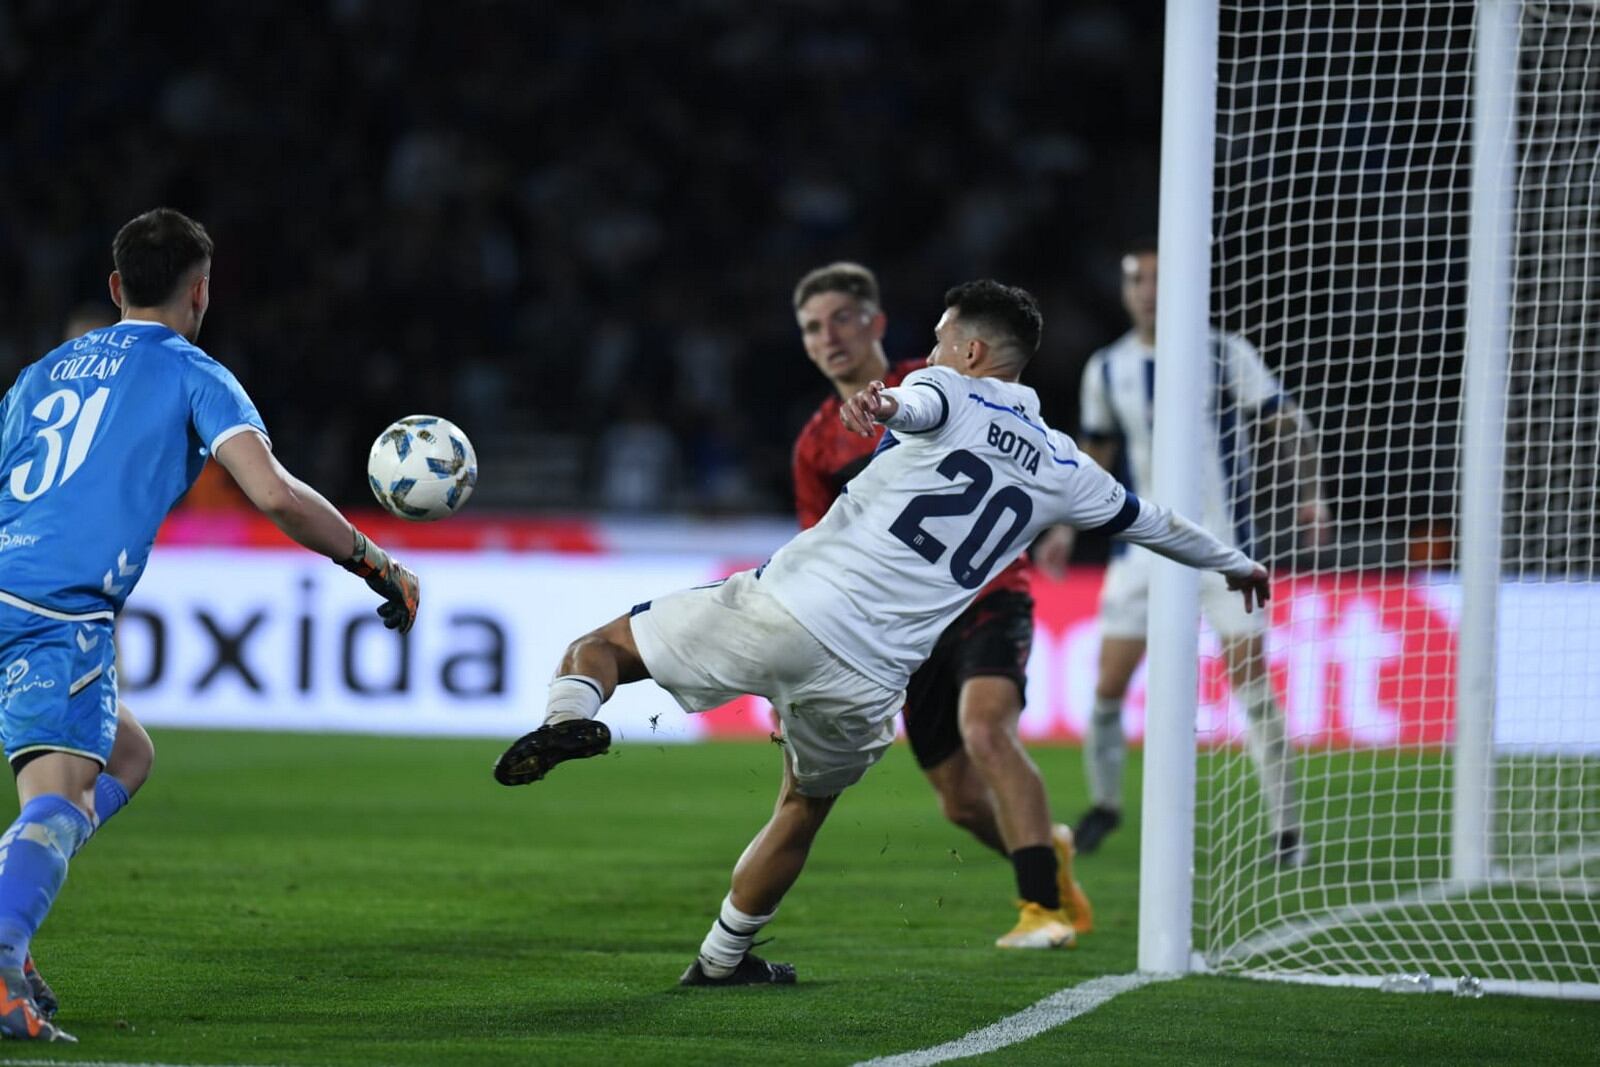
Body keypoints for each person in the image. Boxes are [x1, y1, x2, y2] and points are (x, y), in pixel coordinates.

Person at [494, 280, 1270, 986]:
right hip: (870, 680)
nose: (929, 353)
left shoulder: (945, 386)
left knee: (602, 648)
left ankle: (568, 720)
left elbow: (916, 404)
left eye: (939, 339)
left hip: (788, 610)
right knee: (800, 807)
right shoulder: (1067, 466)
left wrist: (887, 405)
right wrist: (1235, 562)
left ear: (970, 351)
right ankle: (724, 957)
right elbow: (1155, 522)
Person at [0, 208, 421, 1042]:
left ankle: (10, 902)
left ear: (117, 287)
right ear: (200, 293)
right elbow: (274, 494)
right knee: (60, 797)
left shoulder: (39, 374)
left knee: (126, 754)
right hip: (57, 609)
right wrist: (377, 561)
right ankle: (2, 959)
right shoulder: (195, 371)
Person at [789, 262, 1087, 949]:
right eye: (812, 327)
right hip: (904, 625)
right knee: (958, 803)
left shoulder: (945, 377)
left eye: (841, 318)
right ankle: (1046, 846)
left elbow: (1027, 442)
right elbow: (819, 553)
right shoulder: (817, 445)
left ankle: (1042, 907)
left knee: (986, 729)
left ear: (875, 323)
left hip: (987, 593)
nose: (827, 337)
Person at [1071, 238, 1328, 865]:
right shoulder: (1107, 367)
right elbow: (1096, 453)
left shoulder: (1223, 353)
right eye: (1136, 280)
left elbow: (1283, 422)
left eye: (1159, 279)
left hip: (1223, 551)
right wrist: (1060, 524)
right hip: (1142, 556)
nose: (1148, 292)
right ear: (1125, 290)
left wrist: (1311, 495)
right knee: (1107, 689)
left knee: (1250, 684)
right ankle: (1104, 805)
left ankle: (1286, 832)